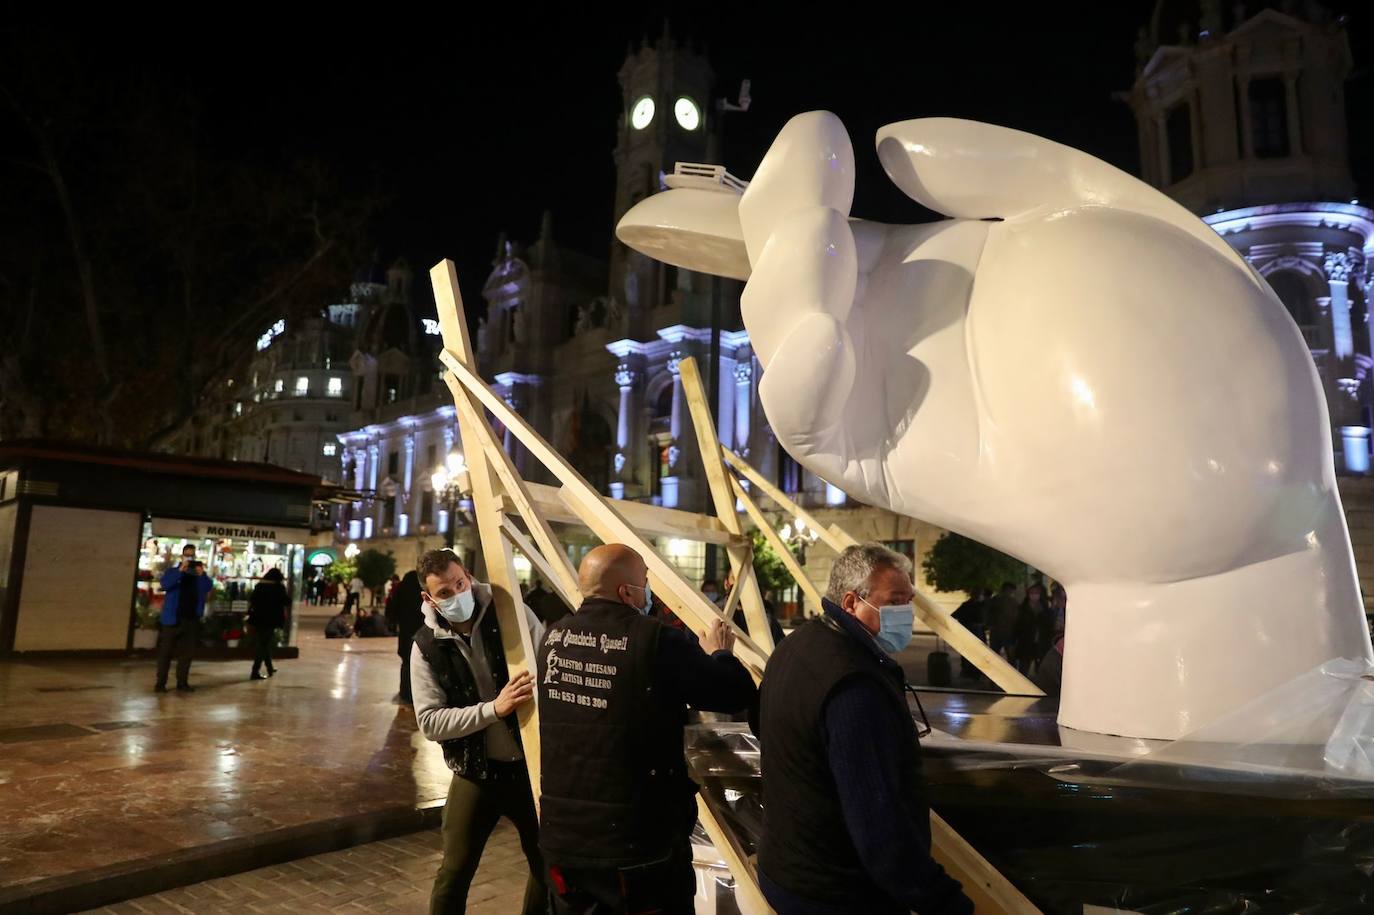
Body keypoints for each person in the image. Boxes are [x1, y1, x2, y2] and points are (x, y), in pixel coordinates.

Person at [537, 544, 757, 915]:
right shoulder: (653, 640)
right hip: (635, 843)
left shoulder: (553, 638)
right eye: (645, 583)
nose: (649, 592)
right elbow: (733, 691)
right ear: (627, 592)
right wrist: (719, 654)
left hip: (564, 838)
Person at [757, 543, 973, 915]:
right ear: (851, 602)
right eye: (894, 601)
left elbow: (758, 719)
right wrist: (943, 901)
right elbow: (879, 825)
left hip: (785, 868)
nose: (905, 613)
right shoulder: (854, 686)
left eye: (909, 601)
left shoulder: (798, 646)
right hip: (835, 892)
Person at [410, 549, 548, 915]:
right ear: (429, 598)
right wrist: (493, 709)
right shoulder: (426, 646)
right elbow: (430, 722)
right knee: (454, 872)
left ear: (468, 576)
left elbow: (546, 670)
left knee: (548, 864)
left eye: (460, 583)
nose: (457, 595)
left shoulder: (511, 615)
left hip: (528, 767)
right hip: (475, 771)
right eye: (444, 593)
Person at [155, 546, 213, 693]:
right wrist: (181, 570)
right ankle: (160, 683)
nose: (189, 559)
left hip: (191, 619)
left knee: (187, 653)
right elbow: (165, 584)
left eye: (192, 556)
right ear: (182, 557)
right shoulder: (173, 572)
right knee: (166, 652)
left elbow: (207, 588)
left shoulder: (199, 576)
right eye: (187, 556)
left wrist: (201, 575)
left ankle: (182, 682)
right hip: (172, 619)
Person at [388, 569, 424, 704]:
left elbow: (392, 612)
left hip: (405, 634)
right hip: (421, 635)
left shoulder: (400, 592)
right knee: (419, 667)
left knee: (406, 664)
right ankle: (416, 695)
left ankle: (405, 693)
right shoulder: (421, 595)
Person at [248, 568, 289, 680]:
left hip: (258, 618)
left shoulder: (259, 586)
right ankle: (255, 671)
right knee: (263, 644)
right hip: (271, 619)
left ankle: (269, 667)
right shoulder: (279, 587)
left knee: (264, 643)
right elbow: (286, 601)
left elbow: (252, 600)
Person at [952, 588, 990, 680]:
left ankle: (973, 672)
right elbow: (954, 616)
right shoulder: (971, 605)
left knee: (975, 653)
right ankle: (970, 672)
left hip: (975, 632)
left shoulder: (980, 605)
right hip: (972, 632)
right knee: (970, 653)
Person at [1014, 583, 1047, 675]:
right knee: (1024, 666)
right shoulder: (1022, 608)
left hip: (1040, 641)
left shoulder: (1044, 608)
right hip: (1025, 641)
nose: (1034, 595)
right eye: (1032, 593)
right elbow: (1017, 625)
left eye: (1036, 593)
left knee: (1040, 666)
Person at [986, 581, 1019, 662]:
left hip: (1007, 632)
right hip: (1000, 632)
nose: (1012, 592)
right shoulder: (996, 600)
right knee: (999, 655)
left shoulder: (1013, 602)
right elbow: (988, 614)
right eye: (1011, 590)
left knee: (1007, 656)